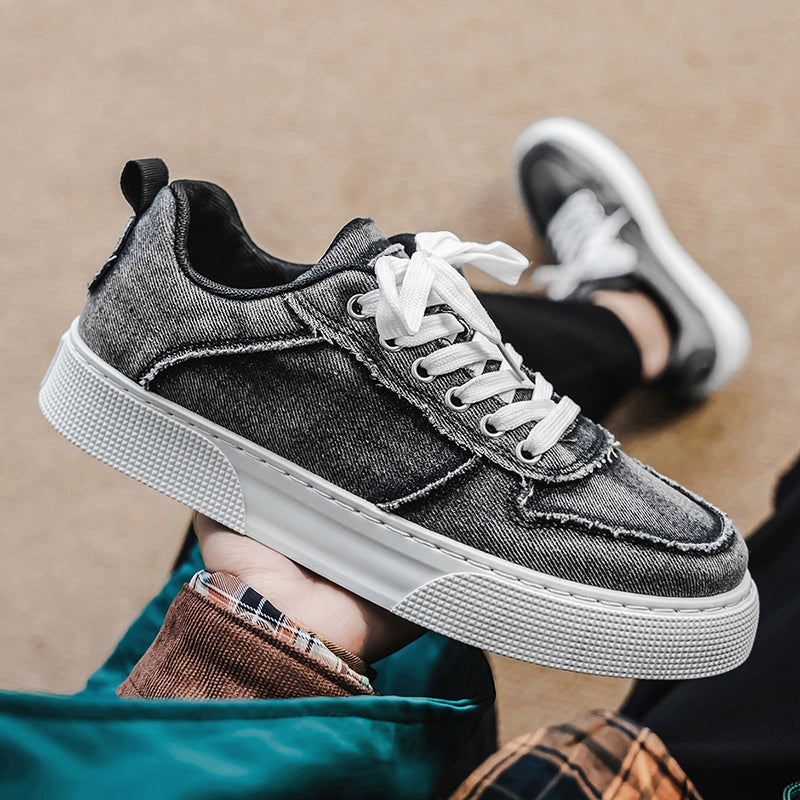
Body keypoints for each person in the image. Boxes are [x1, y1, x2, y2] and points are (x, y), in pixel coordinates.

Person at [5, 119, 796, 800]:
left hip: (155, 759)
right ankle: (634, 319)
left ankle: (631, 322)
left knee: (396, 336)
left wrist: (245, 657)